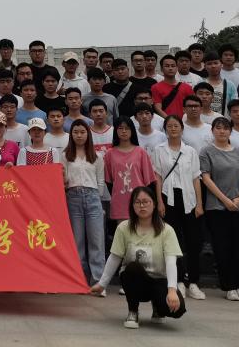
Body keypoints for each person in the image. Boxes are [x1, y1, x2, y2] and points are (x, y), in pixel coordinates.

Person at [90, 185, 185, 329]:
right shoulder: (123, 228)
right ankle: (133, 312)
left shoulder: (167, 230)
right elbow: (115, 257)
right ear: (132, 206)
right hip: (135, 280)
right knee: (132, 268)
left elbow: (171, 262)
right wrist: (102, 284)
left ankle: (158, 308)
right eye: (138, 202)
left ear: (154, 204)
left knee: (177, 310)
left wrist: (172, 290)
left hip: (159, 280)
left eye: (146, 201)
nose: (142, 205)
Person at [200, 116, 239, 301]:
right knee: (223, 247)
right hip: (217, 207)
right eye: (218, 128)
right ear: (212, 131)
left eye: (225, 128)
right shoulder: (207, 152)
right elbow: (206, 178)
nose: (222, 131)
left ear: (230, 131)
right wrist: (226, 201)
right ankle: (230, 286)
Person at [152, 115, 205, 300]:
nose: (173, 129)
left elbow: (196, 178)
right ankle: (179, 281)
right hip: (168, 198)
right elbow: (158, 177)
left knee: (193, 241)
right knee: (173, 241)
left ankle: (194, 283)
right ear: (165, 129)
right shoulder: (159, 150)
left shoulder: (190, 151)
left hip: (189, 198)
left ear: (182, 129)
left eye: (176, 126)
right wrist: (159, 202)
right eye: (170, 126)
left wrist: (199, 204)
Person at [63, 120, 105, 286]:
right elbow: (63, 179)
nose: (79, 135)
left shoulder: (97, 156)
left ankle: (98, 281)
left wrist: (97, 199)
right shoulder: (65, 155)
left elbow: (100, 181)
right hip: (73, 198)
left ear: (88, 134)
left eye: (82, 132)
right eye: (75, 132)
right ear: (71, 135)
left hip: (93, 197)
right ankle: (79, 279)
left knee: (96, 241)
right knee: (77, 241)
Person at [104, 118, 155, 226]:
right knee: (123, 232)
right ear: (115, 131)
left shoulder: (141, 152)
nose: (124, 131)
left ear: (132, 130)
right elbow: (108, 181)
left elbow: (149, 181)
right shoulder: (109, 154)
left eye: (127, 128)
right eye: (120, 128)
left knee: (142, 232)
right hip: (120, 201)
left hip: (140, 200)